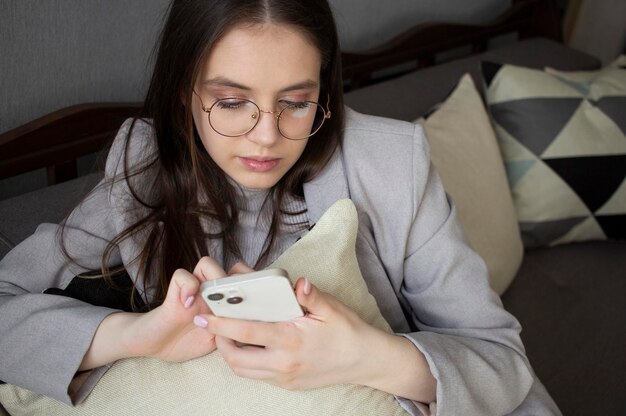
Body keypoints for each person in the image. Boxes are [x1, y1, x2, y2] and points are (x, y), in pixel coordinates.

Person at [0, 1, 561, 414]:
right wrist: (135, 334)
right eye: (231, 101)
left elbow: (501, 360)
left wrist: (370, 357)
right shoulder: (145, 166)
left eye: (296, 102)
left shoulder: (393, 163)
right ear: (184, 96)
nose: (266, 136)